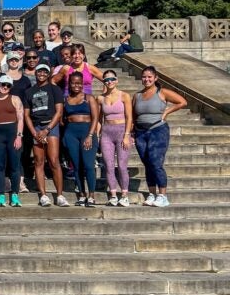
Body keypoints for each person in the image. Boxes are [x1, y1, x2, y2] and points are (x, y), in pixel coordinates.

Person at [133, 66, 187, 207]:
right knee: (147, 164)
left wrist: (167, 111)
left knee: (156, 162)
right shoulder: (137, 95)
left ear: (155, 78)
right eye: (144, 76)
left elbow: (182, 102)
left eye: (149, 76)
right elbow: (133, 114)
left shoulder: (162, 92)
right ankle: (152, 194)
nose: (146, 79)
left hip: (157, 130)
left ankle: (162, 195)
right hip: (140, 132)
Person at [24, 64, 69, 207]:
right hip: (36, 126)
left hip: (51, 126)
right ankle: (43, 195)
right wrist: (34, 132)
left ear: (49, 73)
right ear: (35, 72)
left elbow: (59, 111)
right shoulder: (29, 91)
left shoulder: (54, 89)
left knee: (54, 160)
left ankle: (60, 195)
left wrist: (47, 129)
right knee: (38, 161)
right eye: (39, 71)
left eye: (44, 71)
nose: (41, 73)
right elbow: (26, 115)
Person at [63, 72, 101, 207]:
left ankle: (91, 195)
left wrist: (90, 135)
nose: (76, 85)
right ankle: (81, 194)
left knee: (89, 165)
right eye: (73, 82)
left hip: (87, 132)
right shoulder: (66, 99)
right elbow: (62, 119)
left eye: (79, 82)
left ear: (82, 83)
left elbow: (96, 118)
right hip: (71, 134)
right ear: (69, 84)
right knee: (76, 166)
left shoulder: (89, 98)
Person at [97, 69, 133, 207]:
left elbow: (129, 117)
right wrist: (97, 135)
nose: (109, 82)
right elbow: (100, 119)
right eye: (106, 80)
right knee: (108, 165)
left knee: (122, 165)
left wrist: (127, 135)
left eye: (112, 79)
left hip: (121, 131)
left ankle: (124, 194)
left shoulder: (124, 96)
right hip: (107, 133)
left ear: (117, 80)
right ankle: (113, 194)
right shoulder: (100, 98)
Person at [0, 75, 24, 207]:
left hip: (12, 133)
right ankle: (1, 195)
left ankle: (14, 194)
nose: (5, 87)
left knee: (14, 165)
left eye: (8, 85)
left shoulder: (15, 99)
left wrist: (19, 136)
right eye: (3, 84)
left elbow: (20, 118)